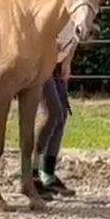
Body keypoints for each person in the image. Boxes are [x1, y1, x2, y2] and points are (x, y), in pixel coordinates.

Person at [32, 19, 79, 198]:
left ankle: (47, 172)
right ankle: (31, 172)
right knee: (51, 113)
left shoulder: (80, 7)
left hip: (57, 62)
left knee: (60, 116)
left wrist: (67, 60)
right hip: (41, 60)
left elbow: (75, 34)